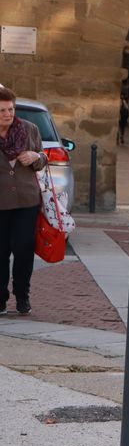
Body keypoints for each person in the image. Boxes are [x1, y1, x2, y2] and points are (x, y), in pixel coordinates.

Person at [0, 86, 47, 315]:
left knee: (23, 249)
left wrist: (35, 156)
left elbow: (43, 157)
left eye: (10, 109)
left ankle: (22, 296)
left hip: (26, 201)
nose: (7, 114)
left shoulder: (29, 129)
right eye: (1, 111)